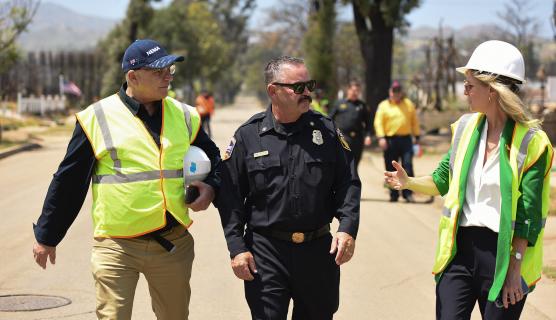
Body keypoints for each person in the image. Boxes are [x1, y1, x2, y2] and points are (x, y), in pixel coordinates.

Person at [32, 39, 221, 320]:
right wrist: (47, 236)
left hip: (173, 243)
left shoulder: (184, 115)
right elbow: (69, 181)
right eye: (159, 71)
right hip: (116, 247)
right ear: (133, 76)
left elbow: (216, 160)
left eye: (170, 69)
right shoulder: (97, 118)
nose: (168, 76)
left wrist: (212, 188)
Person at [384, 40, 553, 320]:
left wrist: (515, 269)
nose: (465, 91)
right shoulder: (465, 127)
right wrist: (409, 182)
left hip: (504, 256)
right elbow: (442, 179)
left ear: (493, 90)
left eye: (470, 85)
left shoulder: (533, 143)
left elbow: (529, 215)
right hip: (459, 253)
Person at [216, 56, 361, 320]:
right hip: (266, 252)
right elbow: (230, 197)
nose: (307, 93)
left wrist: (347, 228)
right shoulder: (249, 136)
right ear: (273, 91)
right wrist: (237, 248)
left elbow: (348, 182)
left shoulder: (327, 131)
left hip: (317, 252)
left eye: (309, 85)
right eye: (298, 87)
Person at [374, 80, 420, 203]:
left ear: (401, 92)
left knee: (407, 166)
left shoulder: (408, 104)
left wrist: (417, 136)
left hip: (406, 140)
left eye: (398, 91)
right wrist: (381, 137)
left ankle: (408, 193)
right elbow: (378, 122)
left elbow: (414, 121)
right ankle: (393, 193)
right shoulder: (383, 105)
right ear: (390, 92)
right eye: (394, 91)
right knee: (390, 168)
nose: (396, 93)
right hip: (390, 141)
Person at [328, 80, 371, 169]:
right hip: (342, 137)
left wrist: (368, 136)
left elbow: (368, 123)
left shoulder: (362, 105)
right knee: (342, 163)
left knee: (355, 164)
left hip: (357, 139)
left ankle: (352, 182)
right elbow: (330, 118)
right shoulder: (340, 103)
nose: (355, 93)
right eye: (353, 90)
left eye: (357, 91)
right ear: (348, 90)